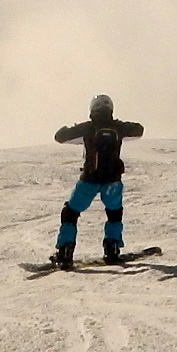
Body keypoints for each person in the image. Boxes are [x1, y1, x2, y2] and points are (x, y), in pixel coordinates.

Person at [50, 94, 144, 269]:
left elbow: (60, 136)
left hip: (90, 180)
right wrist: (120, 126)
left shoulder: (88, 127)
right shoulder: (118, 127)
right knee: (114, 213)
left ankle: (65, 251)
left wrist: (68, 128)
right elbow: (138, 130)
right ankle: (112, 249)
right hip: (113, 181)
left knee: (70, 213)